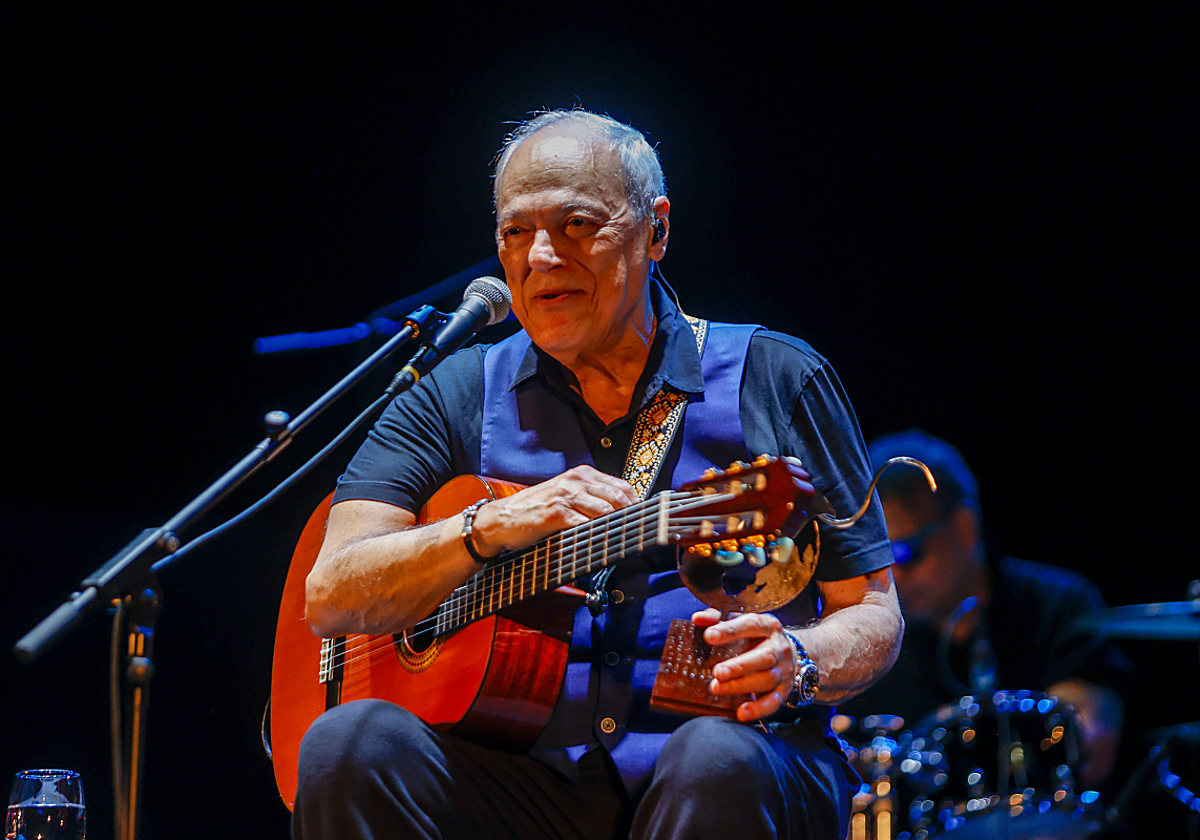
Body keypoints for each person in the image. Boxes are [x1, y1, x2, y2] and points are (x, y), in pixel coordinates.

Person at [292, 109, 903, 840]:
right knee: (346, 745)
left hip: (734, 757)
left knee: (713, 759)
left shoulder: (774, 376)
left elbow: (873, 612)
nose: (541, 256)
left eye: (577, 224)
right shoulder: (452, 393)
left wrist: (799, 659)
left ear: (656, 230)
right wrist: (483, 529)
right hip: (518, 775)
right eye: (516, 232)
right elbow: (331, 594)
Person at [837, 429, 1126, 789]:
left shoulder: (1060, 606)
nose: (892, 577)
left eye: (905, 553)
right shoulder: (875, 644)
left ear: (964, 526)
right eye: (878, 560)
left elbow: (1092, 741)